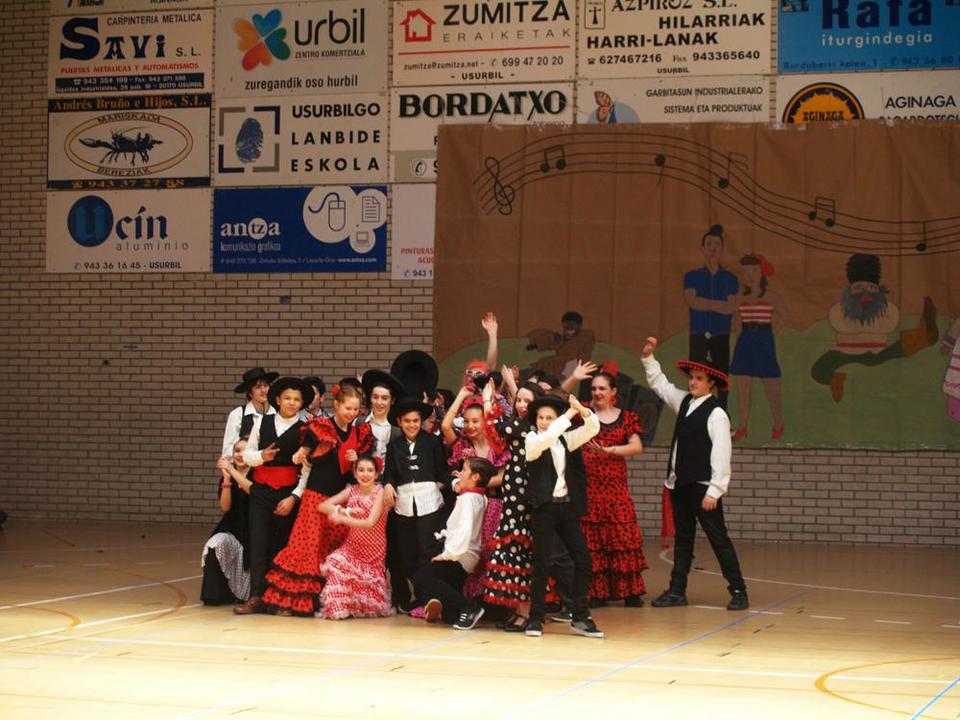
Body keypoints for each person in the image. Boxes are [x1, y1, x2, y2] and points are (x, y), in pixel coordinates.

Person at [641, 336, 749, 611]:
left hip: (703, 487)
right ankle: (677, 591)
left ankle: (738, 590)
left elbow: (722, 454)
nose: (693, 382)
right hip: (681, 485)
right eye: (691, 378)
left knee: (718, 539)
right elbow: (661, 386)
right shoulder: (685, 402)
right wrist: (649, 358)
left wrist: (715, 490)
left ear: (711, 383)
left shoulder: (717, 414)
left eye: (699, 379)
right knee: (683, 540)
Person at [260, 383, 375, 616]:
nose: (352, 413)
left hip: (339, 501)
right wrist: (301, 453)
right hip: (315, 498)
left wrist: (357, 458)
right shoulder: (321, 427)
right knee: (306, 548)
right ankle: (294, 601)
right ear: (337, 405)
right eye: (348, 408)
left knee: (332, 550)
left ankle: (328, 599)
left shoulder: (360, 434)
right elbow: (306, 448)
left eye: (355, 409)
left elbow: (364, 470)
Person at [524, 392, 604, 639]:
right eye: (540, 417)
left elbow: (592, 428)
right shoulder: (533, 440)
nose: (544, 422)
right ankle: (535, 618)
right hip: (544, 509)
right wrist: (569, 414)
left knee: (583, 561)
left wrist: (581, 410)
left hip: (567, 509)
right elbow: (548, 436)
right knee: (542, 564)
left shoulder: (567, 439)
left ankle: (580, 616)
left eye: (549, 417)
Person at [233, 377, 313, 615]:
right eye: (287, 398)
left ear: (302, 403)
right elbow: (246, 456)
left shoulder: (305, 429)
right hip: (261, 492)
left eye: (296, 399)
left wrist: (294, 497)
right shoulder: (262, 422)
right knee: (258, 544)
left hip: (287, 494)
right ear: (277, 399)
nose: (291, 403)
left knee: (282, 547)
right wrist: (261, 457)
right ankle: (256, 597)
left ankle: (278, 599)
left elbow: (307, 470)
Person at [811, 253, 938, 402]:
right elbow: (840, 325)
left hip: (875, 351)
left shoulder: (886, 308)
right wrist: (866, 320)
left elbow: (889, 326)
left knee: (889, 352)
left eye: (871, 287)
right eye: (859, 287)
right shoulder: (839, 309)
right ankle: (834, 379)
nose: (865, 291)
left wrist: (864, 320)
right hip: (843, 351)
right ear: (850, 289)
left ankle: (922, 336)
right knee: (818, 371)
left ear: (878, 289)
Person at [579, 366, 648, 606]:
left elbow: (637, 446)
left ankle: (629, 592)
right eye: (594, 388)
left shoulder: (626, 417)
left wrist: (610, 451)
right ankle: (597, 593)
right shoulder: (583, 415)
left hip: (616, 491)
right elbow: (556, 400)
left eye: (602, 388)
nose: (597, 393)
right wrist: (574, 378)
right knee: (593, 543)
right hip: (590, 490)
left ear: (613, 392)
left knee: (621, 538)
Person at [482, 381, 545, 631]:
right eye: (519, 400)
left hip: (524, 497)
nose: (521, 405)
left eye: (527, 401)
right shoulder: (519, 424)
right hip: (512, 495)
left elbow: (499, 426)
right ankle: (519, 610)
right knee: (513, 551)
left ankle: (526, 612)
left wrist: (488, 401)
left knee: (520, 552)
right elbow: (496, 435)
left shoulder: (530, 427)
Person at [441, 382, 510, 604]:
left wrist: (474, 483)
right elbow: (445, 426)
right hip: (469, 507)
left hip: (494, 507)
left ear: (485, 421)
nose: (470, 425)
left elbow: (503, 476)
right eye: (466, 421)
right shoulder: (462, 444)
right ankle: (470, 600)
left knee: (490, 552)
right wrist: (462, 395)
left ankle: (493, 600)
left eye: (475, 421)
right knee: (469, 551)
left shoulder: (497, 444)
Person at [383, 396, 450, 612]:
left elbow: (442, 470)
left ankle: (430, 598)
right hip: (403, 504)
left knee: (427, 551)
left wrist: (455, 483)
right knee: (407, 554)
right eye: (407, 421)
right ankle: (422, 597)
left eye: (415, 420)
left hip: (429, 503)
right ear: (399, 422)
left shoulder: (432, 442)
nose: (411, 425)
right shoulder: (394, 446)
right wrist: (388, 484)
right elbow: (390, 473)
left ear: (421, 421)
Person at [414, 457, 496, 629]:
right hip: (469, 556)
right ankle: (456, 611)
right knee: (451, 615)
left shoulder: (468, 499)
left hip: (460, 556)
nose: (460, 473)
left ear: (475, 477)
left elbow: (464, 530)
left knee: (422, 577)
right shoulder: (479, 497)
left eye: (464, 470)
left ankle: (471, 607)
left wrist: (447, 555)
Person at [316, 455, 393, 619]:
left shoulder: (380, 492)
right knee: (336, 562)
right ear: (355, 473)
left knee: (368, 598)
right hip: (352, 546)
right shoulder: (351, 490)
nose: (365, 474)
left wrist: (342, 519)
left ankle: (356, 607)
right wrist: (345, 511)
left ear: (376, 474)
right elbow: (323, 506)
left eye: (370, 470)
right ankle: (339, 608)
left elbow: (369, 523)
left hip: (373, 550)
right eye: (361, 470)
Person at [729, 254, 788, 441]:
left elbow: (783, 314)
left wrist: (773, 331)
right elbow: (737, 320)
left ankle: (778, 422)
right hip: (745, 340)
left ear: (761, 272)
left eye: (754, 270)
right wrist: (739, 337)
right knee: (743, 386)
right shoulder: (740, 297)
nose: (750, 275)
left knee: (771, 384)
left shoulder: (771, 297)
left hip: (764, 339)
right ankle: (743, 425)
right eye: (746, 271)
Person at [684, 225, 739, 410]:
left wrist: (705, 303)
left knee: (722, 376)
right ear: (703, 248)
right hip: (698, 333)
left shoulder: (730, 278)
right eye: (709, 244)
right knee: (696, 374)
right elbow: (693, 302)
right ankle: (694, 411)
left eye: (717, 244)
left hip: (721, 333)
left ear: (722, 248)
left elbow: (730, 306)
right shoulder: (692, 276)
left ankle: (722, 412)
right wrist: (718, 304)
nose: (713, 248)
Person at [201, 438, 252, 605]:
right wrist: (227, 480)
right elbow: (225, 507)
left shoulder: (258, 476)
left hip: (254, 532)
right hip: (232, 529)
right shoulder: (227, 477)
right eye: (237, 450)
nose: (240, 454)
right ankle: (217, 595)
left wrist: (232, 471)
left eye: (245, 450)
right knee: (216, 542)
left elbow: (253, 491)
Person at [222, 367, 278, 458]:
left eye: (266, 385)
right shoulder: (238, 414)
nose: (263, 390)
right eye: (258, 387)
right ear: (249, 393)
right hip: (244, 465)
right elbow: (228, 450)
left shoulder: (278, 413)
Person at [526, 311, 596, 380]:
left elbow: (583, 348)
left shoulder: (586, 335)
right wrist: (537, 344)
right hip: (559, 364)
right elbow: (552, 342)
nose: (570, 328)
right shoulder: (561, 339)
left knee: (549, 367)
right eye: (567, 325)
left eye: (573, 325)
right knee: (543, 364)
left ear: (579, 326)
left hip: (574, 365)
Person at [361, 369, 403, 459]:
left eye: (384, 398)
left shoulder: (399, 429)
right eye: (375, 397)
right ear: (371, 398)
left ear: (392, 400)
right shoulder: (358, 423)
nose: (379, 402)